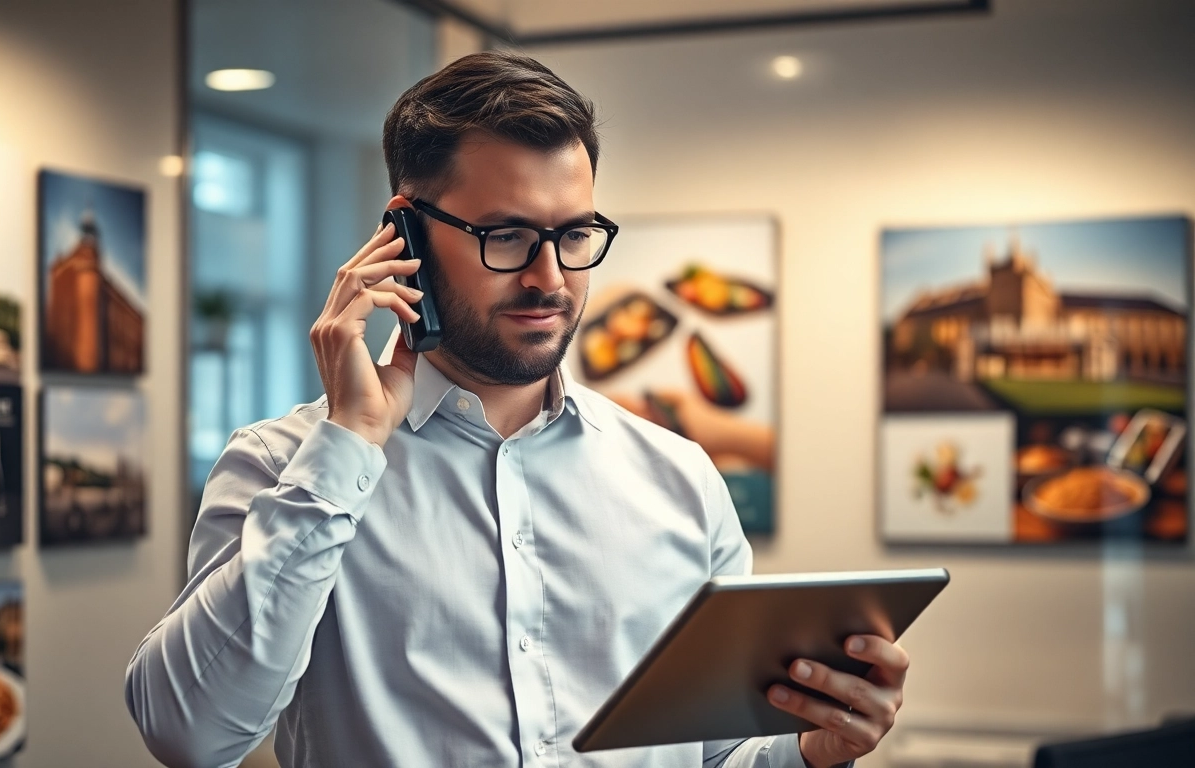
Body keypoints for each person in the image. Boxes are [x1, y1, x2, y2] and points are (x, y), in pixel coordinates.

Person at [125, 51, 909, 768]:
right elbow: (191, 735)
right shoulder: (284, 465)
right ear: (406, 232)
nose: (549, 278)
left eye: (573, 236)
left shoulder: (678, 476)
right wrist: (351, 444)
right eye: (505, 236)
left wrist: (810, 749)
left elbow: (718, 754)